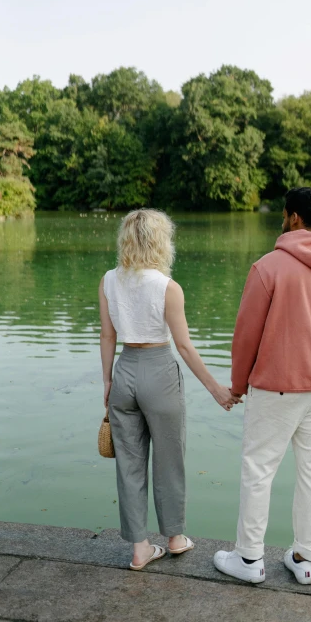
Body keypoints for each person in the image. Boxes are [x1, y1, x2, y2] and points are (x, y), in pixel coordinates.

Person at [214, 187, 311, 585]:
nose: (282, 219)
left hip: (276, 389)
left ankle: (249, 560)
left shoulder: (268, 268)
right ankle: (304, 559)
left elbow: (246, 335)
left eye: (284, 214)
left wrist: (238, 384)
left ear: (295, 218)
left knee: (258, 470)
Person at [99, 208, 240, 571]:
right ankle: (175, 538)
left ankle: (140, 548)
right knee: (169, 460)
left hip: (124, 371)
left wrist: (108, 382)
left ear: (126, 240)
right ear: (162, 242)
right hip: (159, 372)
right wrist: (216, 390)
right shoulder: (168, 287)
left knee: (129, 465)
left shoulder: (108, 281)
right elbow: (185, 347)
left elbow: (107, 335)